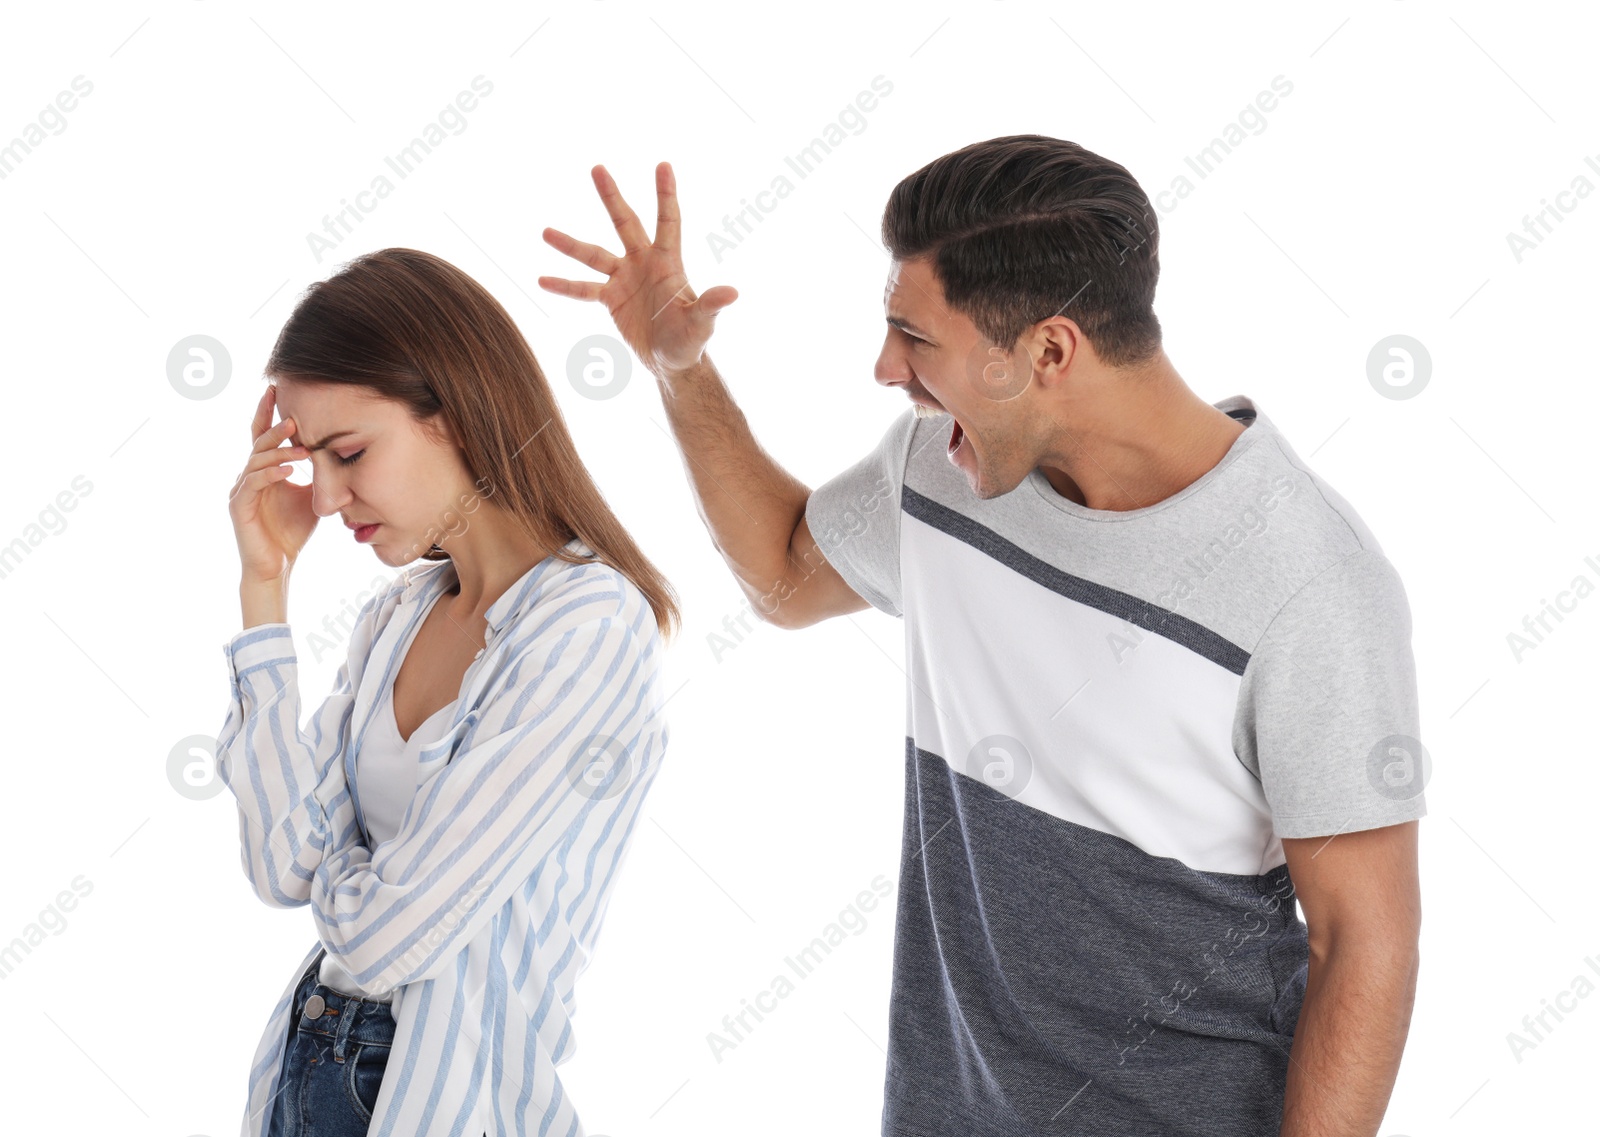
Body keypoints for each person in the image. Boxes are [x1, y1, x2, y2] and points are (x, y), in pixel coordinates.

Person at [537, 138, 1427, 1136]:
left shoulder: (1308, 582)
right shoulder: (942, 473)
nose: (884, 369)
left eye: (912, 337)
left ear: (1048, 351)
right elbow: (787, 572)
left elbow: (1364, 939)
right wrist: (680, 367)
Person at [218, 247, 678, 1137]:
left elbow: (385, 938)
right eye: (311, 458)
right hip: (307, 1062)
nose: (324, 493)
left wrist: (344, 863)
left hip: (444, 1102)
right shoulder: (398, 614)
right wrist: (264, 586)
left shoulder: (587, 628)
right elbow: (280, 865)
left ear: (456, 413)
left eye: (347, 451)